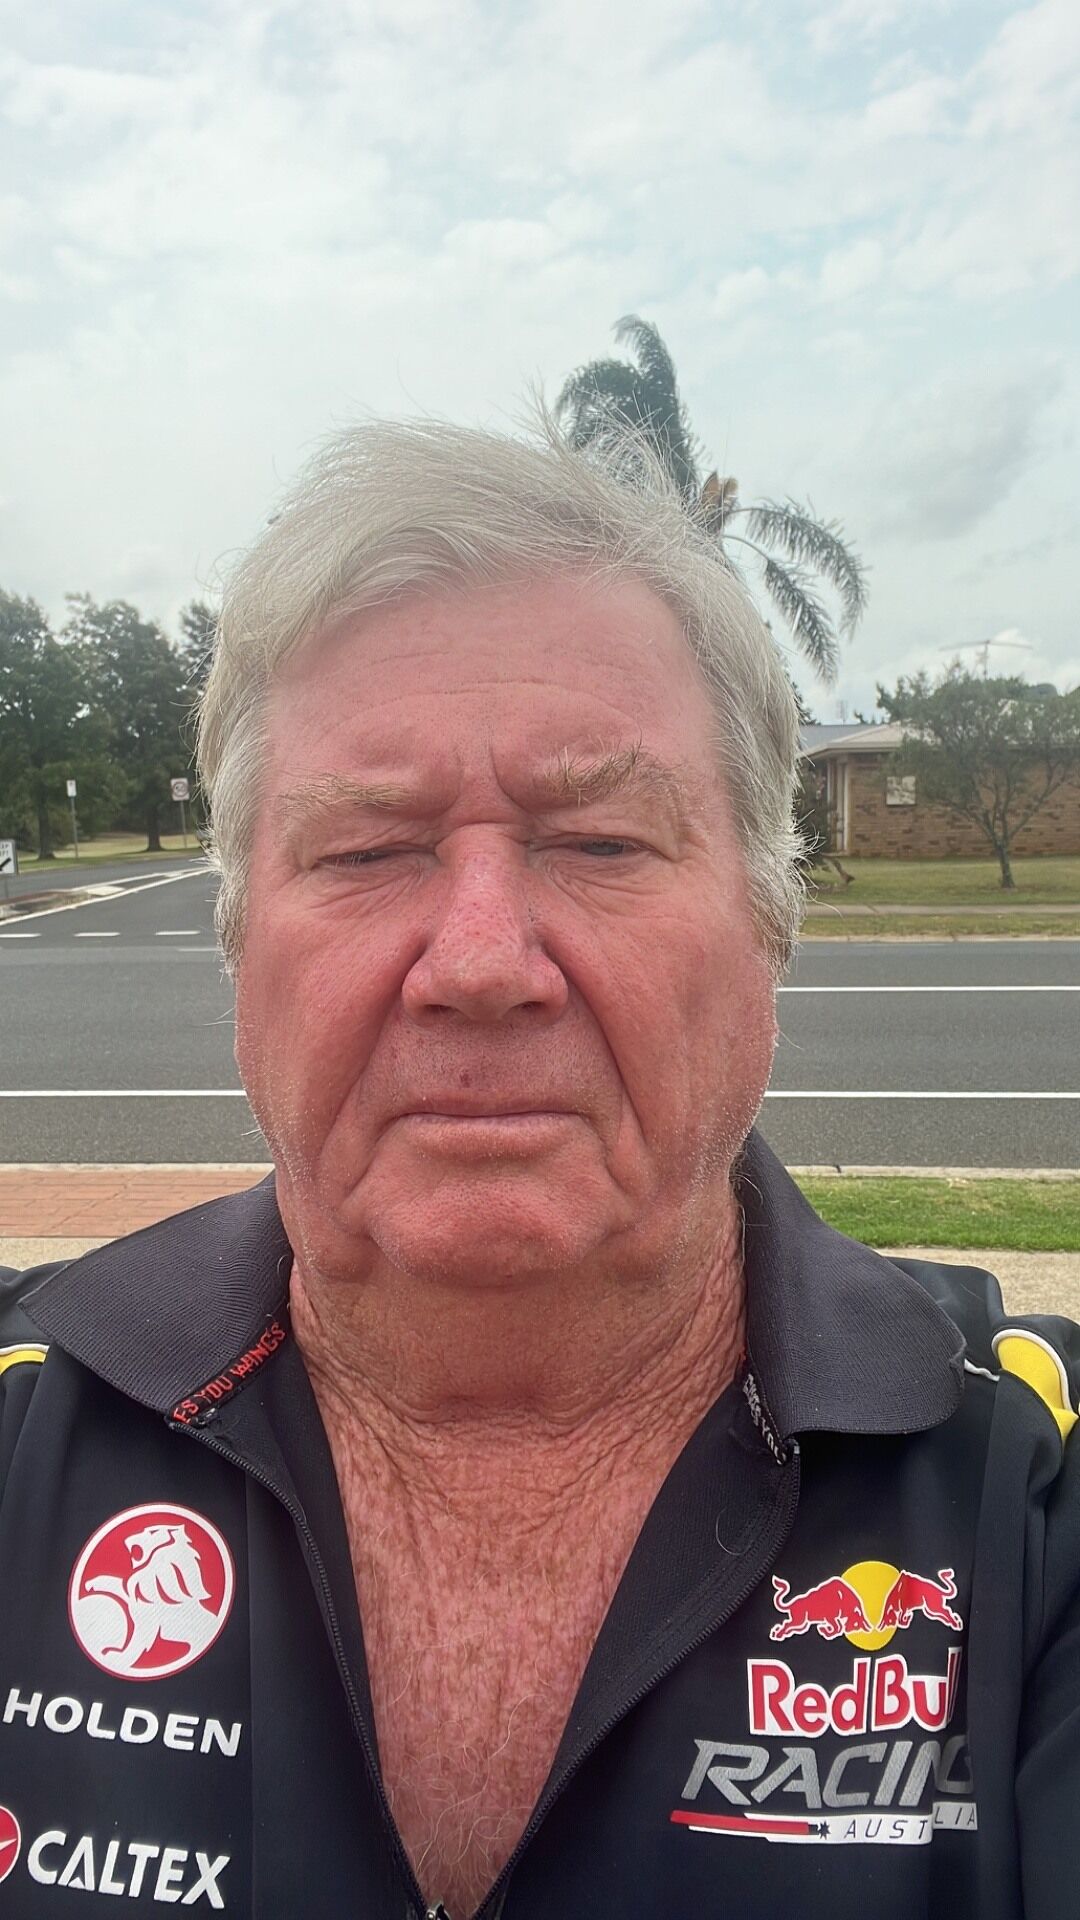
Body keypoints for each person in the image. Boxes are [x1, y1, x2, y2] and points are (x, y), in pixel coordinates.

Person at [2, 419, 1078, 1920]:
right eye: (366, 850)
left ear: (767, 932)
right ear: (242, 953)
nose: (482, 964)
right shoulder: (25, 1428)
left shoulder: (1033, 1492)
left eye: (601, 842)